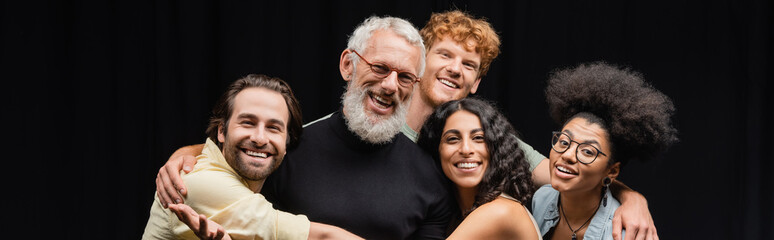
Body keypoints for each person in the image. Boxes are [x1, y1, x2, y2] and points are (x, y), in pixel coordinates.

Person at [156, 10, 660, 239]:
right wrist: (197, 152)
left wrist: (631, 196)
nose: (454, 70)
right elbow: (247, 159)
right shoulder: (316, 136)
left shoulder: (473, 149)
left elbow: (573, 170)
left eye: (470, 66)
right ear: (349, 65)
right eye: (445, 56)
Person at [142, 74, 359, 239]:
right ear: (221, 131)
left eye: (274, 128)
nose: (259, 138)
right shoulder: (198, 182)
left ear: (286, 143)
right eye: (248, 122)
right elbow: (324, 237)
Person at [532, 62, 678, 240]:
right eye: (564, 141)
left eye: (587, 152)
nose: (568, 155)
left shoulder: (624, 234)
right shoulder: (541, 199)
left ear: (612, 171)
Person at [418, 97, 541, 239]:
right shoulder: (455, 216)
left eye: (478, 138)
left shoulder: (500, 211)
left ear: (496, 148)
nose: (466, 149)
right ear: (436, 149)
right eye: (453, 139)